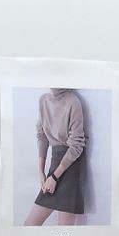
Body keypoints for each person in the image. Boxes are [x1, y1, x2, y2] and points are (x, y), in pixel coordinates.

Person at [24, 88, 86, 226]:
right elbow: (42, 136)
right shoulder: (43, 100)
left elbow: (77, 145)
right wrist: (41, 171)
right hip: (55, 162)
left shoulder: (73, 101)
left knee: (64, 233)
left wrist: (54, 177)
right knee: (29, 226)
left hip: (71, 164)